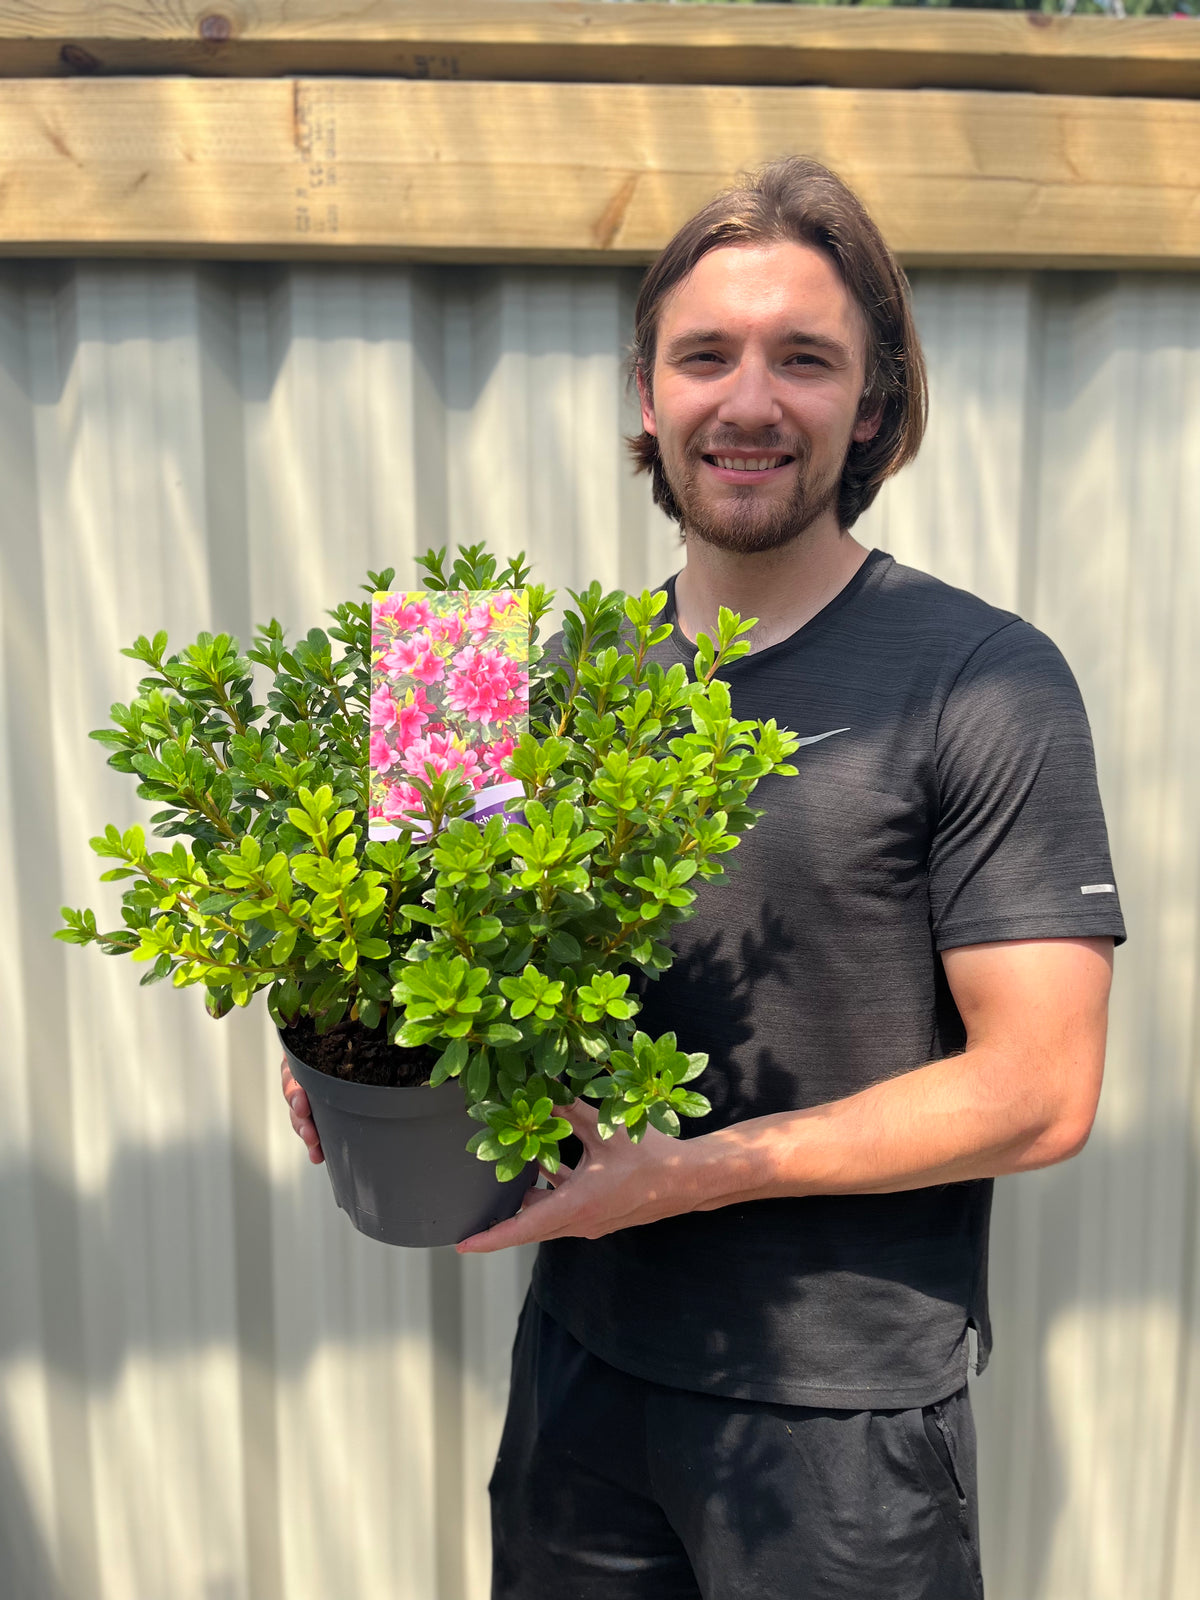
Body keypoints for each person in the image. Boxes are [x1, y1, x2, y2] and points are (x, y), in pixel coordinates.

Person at [282, 158, 1125, 1598]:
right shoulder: (548, 676)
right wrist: (333, 1032)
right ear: (646, 390)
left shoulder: (980, 676)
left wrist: (688, 1176)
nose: (748, 401)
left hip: (840, 1424)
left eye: (805, 359)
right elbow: (413, 935)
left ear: (870, 404)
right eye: (705, 355)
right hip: (581, 1367)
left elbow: (1043, 1089)